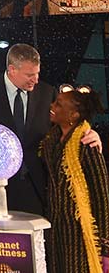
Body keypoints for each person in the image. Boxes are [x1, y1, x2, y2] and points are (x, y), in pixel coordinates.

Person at [0, 43, 101, 215]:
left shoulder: (47, 92)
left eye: (37, 73)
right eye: (30, 75)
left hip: (37, 190)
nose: (36, 80)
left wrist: (90, 133)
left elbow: (66, 131)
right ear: (12, 69)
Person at [40, 87, 109, 273]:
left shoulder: (87, 144)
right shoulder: (51, 141)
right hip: (56, 231)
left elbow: (102, 197)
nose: (52, 106)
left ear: (74, 114)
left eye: (59, 104)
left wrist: (105, 247)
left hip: (79, 235)